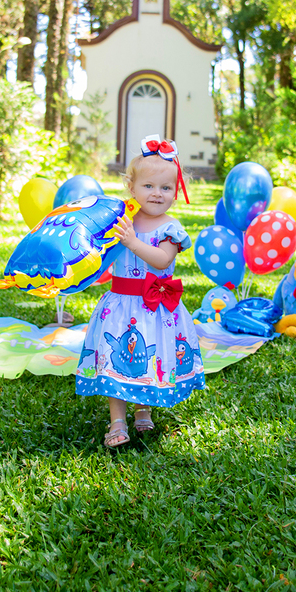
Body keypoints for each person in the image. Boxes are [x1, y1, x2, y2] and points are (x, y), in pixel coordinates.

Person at [75, 135, 205, 447]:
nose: (157, 194)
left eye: (165, 188)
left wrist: (133, 242)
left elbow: (162, 261)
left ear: (176, 192)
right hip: (119, 305)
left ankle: (142, 410)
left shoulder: (170, 228)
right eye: (148, 186)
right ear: (131, 188)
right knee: (114, 358)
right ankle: (117, 421)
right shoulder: (121, 221)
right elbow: (101, 250)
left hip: (154, 307)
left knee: (148, 358)